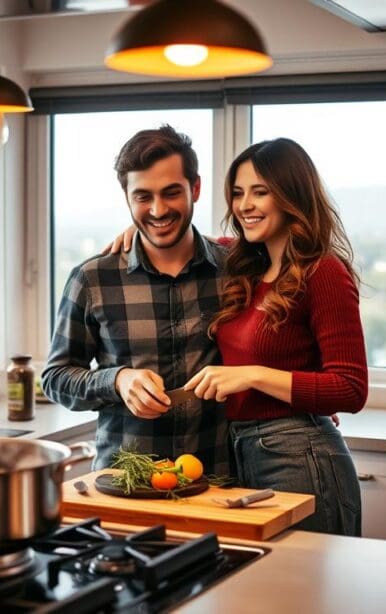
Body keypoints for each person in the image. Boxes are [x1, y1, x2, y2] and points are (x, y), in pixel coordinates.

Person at [183, 138, 368, 535]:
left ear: (291, 195)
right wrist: (139, 225)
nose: (244, 205)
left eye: (260, 192)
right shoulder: (251, 267)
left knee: (307, 594)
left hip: (302, 455)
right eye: (237, 193)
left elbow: (351, 389)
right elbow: (189, 242)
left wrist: (251, 375)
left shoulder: (324, 273)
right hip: (242, 452)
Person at [41, 125, 230, 475]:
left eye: (171, 192)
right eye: (143, 197)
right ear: (127, 197)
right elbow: (55, 378)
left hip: (219, 482)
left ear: (196, 188)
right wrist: (116, 380)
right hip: (124, 485)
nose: (158, 210)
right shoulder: (93, 278)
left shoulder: (234, 272)